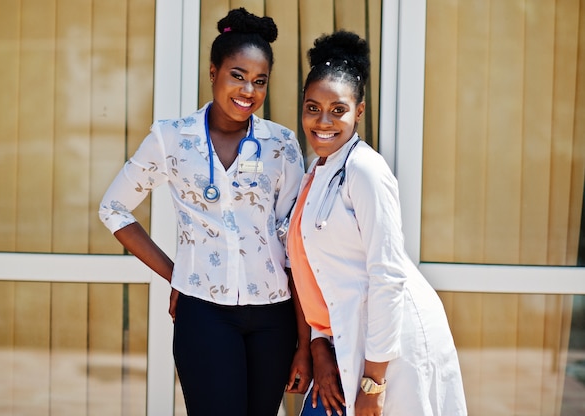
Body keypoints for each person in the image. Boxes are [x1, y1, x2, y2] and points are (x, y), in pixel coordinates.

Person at [98, 8, 311, 416]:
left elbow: (295, 245)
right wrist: (176, 273)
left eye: (260, 81)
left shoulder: (281, 145)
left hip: (274, 318)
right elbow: (114, 207)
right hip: (205, 315)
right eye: (237, 75)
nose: (248, 90)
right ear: (213, 72)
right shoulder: (172, 138)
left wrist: (304, 342)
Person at [287, 30, 467, 416]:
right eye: (312, 107)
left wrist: (374, 382)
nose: (323, 121)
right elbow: (316, 273)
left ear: (360, 111)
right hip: (348, 341)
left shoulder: (365, 171)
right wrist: (319, 345)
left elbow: (386, 275)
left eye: (338, 110)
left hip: (391, 348)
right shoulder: (315, 172)